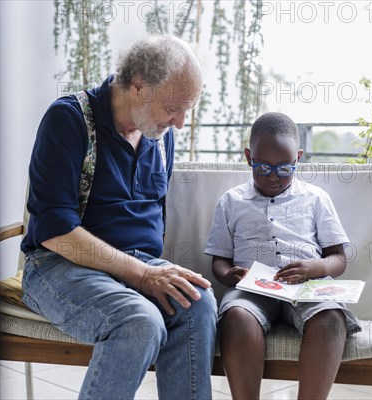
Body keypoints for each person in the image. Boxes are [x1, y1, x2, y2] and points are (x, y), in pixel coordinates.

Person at [20, 35, 217, 400]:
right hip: (59, 266)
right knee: (139, 323)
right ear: (138, 85)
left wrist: (149, 270)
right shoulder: (69, 120)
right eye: (174, 107)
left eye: (188, 109)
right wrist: (143, 275)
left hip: (134, 265)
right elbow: (55, 230)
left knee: (198, 304)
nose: (180, 123)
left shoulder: (159, 135)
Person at [204, 112, 361, 399]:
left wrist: (315, 268)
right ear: (249, 157)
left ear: (298, 158)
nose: (273, 176)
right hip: (251, 290)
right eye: (263, 167)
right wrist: (228, 274)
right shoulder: (231, 201)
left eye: (284, 168)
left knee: (329, 319)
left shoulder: (315, 199)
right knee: (236, 317)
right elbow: (219, 259)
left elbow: (338, 259)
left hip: (306, 288)